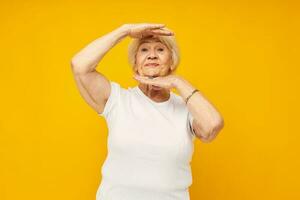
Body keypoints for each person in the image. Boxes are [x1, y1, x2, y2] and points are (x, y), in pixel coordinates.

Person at [71, 23, 224, 200]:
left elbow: (213, 125)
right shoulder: (117, 100)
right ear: (135, 63)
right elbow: (79, 65)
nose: (152, 55)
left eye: (160, 49)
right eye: (144, 50)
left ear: (172, 61)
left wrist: (179, 83)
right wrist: (125, 31)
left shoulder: (187, 108)